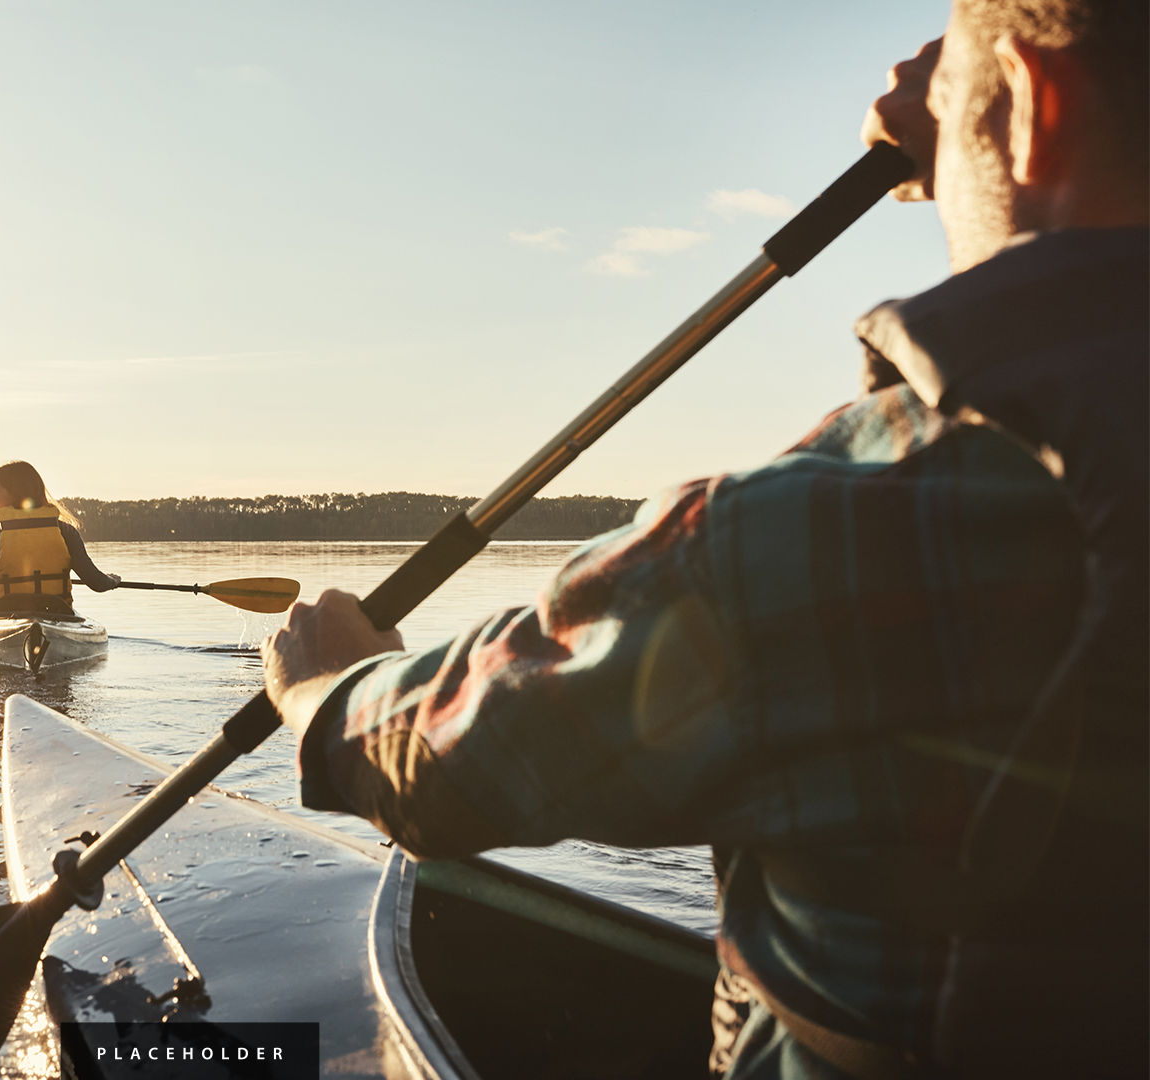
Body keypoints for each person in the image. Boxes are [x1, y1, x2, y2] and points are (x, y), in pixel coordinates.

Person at [261, 2, 1146, 1077]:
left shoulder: (827, 527)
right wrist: (985, 118)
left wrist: (328, 692)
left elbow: (446, 767)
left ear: (1036, 98)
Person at [0, 460, 119, 615]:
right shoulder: (65, 533)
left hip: (8, 615)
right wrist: (112, 580)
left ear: (16, 493)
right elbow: (97, 583)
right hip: (57, 615)